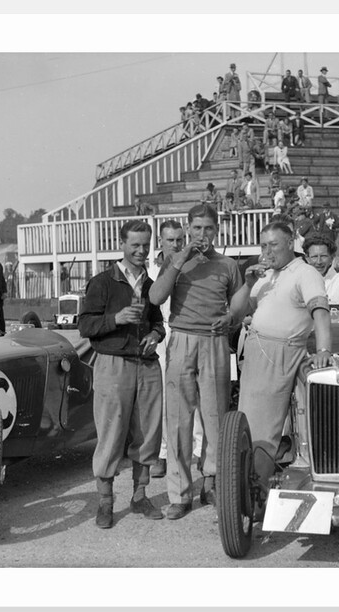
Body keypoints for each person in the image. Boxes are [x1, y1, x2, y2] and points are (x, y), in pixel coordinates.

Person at [149, 203, 244, 518]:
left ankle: (211, 482)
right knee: (178, 418)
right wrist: (179, 260)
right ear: (188, 229)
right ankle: (179, 494)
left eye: (208, 229)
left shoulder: (228, 265)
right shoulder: (175, 261)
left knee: (215, 416)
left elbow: (240, 304)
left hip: (215, 343)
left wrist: (230, 317)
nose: (202, 235)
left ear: (216, 230)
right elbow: (155, 297)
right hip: (182, 340)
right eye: (197, 228)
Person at [229, 222, 332, 511]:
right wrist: (248, 283)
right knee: (248, 424)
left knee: (262, 428)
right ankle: (246, 493)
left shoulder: (305, 272)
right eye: (263, 246)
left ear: (290, 243)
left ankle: (252, 499)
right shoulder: (265, 277)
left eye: (273, 245)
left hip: (281, 352)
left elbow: (321, 313)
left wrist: (324, 350)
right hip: (256, 350)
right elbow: (235, 314)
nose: (267, 251)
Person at [78, 220, 165, 528]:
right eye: (135, 245)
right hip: (113, 364)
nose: (141, 250)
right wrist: (116, 318)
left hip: (147, 364)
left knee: (148, 432)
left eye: (145, 244)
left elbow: (158, 323)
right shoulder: (102, 282)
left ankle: (140, 497)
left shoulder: (150, 282)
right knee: (111, 434)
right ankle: (105, 502)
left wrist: (156, 334)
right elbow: (86, 326)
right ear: (122, 244)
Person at [146, 220, 204, 480]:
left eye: (180, 239)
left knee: (196, 392)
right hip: (163, 331)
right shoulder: (150, 270)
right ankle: (163, 452)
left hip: (190, 330)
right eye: (170, 240)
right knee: (165, 394)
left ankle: (201, 449)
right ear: (161, 242)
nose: (176, 245)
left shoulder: (195, 264)